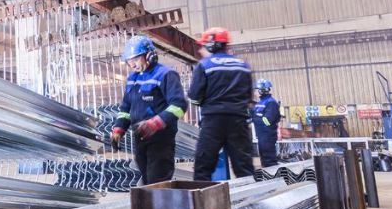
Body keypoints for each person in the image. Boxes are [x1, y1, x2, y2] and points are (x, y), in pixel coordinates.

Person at [111, 35, 188, 185]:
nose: (131, 64)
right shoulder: (132, 79)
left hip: (160, 138)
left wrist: (157, 123)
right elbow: (126, 107)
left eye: (135, 59)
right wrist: (119, 128)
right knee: (147, 180)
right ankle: (151, 207)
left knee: (157, 180)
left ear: (149, 55)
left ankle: (161, 208)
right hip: (140, 137)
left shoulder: (166, 75)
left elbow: (179, 105)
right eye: (129, 61)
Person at [188, 28, 255, 180]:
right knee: (244, 168)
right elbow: (248, 97)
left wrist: (206, 102)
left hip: (213, 122)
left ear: (212, 45)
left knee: (202, 168)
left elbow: (194, 97)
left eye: (204, 46)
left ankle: (201, 201)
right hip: (239, 121)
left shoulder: (204, 65)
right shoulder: (243, 66)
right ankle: (252, 202)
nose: (201, 49)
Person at [252, 79, 281, 167]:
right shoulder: (260, 103)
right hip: (262, 136)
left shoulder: (271, 103)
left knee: (269, 160)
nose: (255, 92)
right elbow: (255, 114)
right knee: (264, 159)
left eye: (256, 90)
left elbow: (268, 121)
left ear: (261, 90)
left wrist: (255, 118)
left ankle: (273, 178)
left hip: (268, 135)